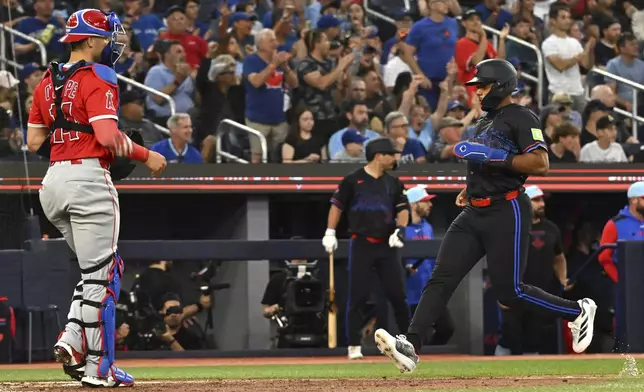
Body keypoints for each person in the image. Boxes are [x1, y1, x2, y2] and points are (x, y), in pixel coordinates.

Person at [373, 59, 597, 374]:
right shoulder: (484, 121)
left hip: (507, 207)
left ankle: (576, 311)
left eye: (483, 85)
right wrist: (470, 186)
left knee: (510, 291)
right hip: (474, 209)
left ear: (502, 86)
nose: (477, 91)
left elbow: (540, 164)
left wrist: (496, 157)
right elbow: (480, 163)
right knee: (441, 278)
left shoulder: (522, 116)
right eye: (477, 86)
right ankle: (411, 344)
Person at [25, 9, 167, 387]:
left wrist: (70, 143)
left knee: (99, 271)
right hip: (88, 180)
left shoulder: (46, 81)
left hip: (53, 183)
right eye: (105, 38)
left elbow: (34, 142)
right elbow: (106, 136)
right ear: (89, 40)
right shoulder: (98, 75)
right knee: (103, 279)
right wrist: (146, 155)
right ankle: (99, 369)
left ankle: (72, 338)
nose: (110, 44)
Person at [322, 138, 410, 361]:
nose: (395, 158)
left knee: (398, 296)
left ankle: (409, 343)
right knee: (357, 296)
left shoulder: (394, 183)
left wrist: (400, 230)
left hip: (387, 244)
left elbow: (402, 209)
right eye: (391, 154)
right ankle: (353, 345)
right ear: (379, 156)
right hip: (361, 243)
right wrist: (330, 231)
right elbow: (337, 205)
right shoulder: (353, 180)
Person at [495, 185, 571, 356]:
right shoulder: (511, 227)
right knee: (509, 337)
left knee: (534, 338)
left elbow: (558, 257)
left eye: (542, 199)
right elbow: (498, 260)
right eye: (536, 200)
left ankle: (529, 379)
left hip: (539, 293)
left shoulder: (552, 229)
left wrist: (562, 278)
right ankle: (494, 376)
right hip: (514, 292)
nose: (542, 203)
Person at [403, 186, 454, 346]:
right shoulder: (401, 229)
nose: (430, 205)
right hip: (410, 294)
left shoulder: (428, 227)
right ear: (413, 204)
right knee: (413, 336)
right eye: (425, 201)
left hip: (429, 291)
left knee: (447, 328)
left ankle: (431, 355)